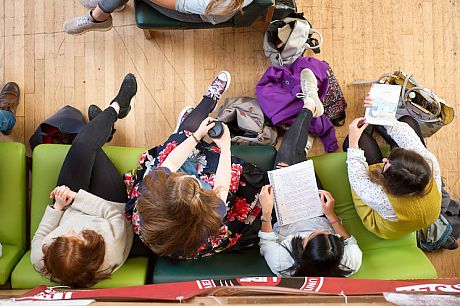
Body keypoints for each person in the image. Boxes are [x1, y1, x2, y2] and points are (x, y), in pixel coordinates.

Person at [124, 71, 266, 259]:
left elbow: (173, 162)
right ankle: (198, 113)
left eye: (184, 177)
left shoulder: (152, 186)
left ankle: (208, 101)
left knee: (182, 139)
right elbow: (222, 187)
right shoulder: (214, 212)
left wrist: (197, 136)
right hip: (194, 235)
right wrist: (225, 149)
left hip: (165, 232)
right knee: (229, 173)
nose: (194, 176)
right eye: (195, 180)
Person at [31, 73, 138, 288]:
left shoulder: (43, 257)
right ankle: (116, 109)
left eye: (63, 237)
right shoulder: (110, 251)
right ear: (91, 252)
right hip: (108, 205)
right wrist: (78, 198)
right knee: (89, 146)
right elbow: (116, 216)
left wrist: (58, 207)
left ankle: (111, 117)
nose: (68, 232)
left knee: (81, 146)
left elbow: (40, 236)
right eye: (77, 237)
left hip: (69, 204)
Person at [257, 68, 363, 277]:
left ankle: (310, 106)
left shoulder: (283, 263)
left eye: (309, 237)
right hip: (318, 210)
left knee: (285, 161)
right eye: (326, 234)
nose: (313, 232)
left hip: (284, 218)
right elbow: (350, 241)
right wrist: (331, 216)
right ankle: (310, 107)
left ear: (302, 253)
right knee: (290, 160)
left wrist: (267, 212)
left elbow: (266, 240)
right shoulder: (350, 262)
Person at [343, 96, 442, 240]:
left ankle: (369, 131)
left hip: (386, 226)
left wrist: (353, 142)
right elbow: (409, 138)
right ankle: (377, 126)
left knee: (361, 139)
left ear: (389, 186)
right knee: (408, 121)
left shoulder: (382, 199)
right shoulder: (430, 164)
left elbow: (357, 178)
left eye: (386, 164)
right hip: (419, 214)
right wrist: (384, 115)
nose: (383, 159)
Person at [64, 0, 253, 35]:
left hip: (194, 12)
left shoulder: (219, 2)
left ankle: (98, 17)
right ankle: (109, 5)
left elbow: (177, 4)